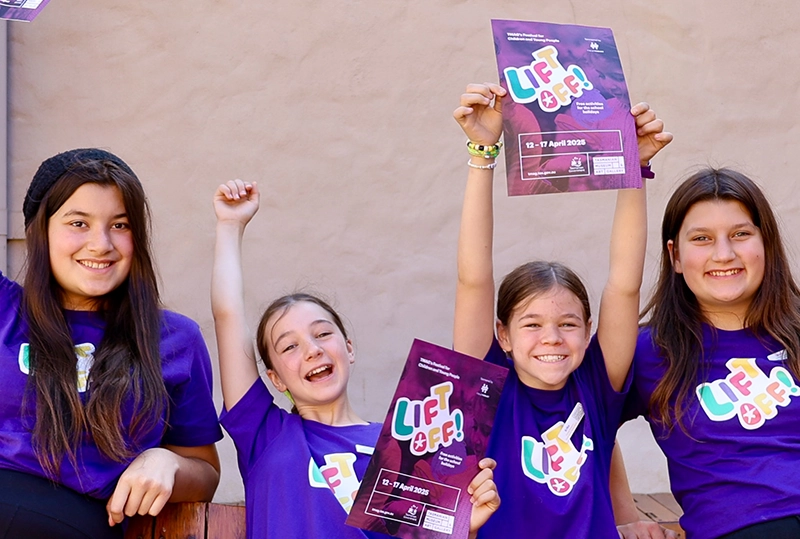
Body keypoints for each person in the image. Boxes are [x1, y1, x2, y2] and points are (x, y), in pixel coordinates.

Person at [211, 179, 501, 539]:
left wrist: (464, 529)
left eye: (322, 334)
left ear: (349, 348)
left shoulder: (404, 448)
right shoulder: (264, 434)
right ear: (275, 378)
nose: (312, 350)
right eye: (289, 347)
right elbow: (227, 316)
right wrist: (230, 226)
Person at [451, 82, 671, 537]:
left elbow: (624, 284)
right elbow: (473, 278)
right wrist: (482, 153)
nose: (551, 337)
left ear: (589, 331)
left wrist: (635, 168)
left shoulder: (597, 385)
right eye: (531, 324)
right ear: (503, 335)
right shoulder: (486, 387)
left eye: (568, 324)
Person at [0, 148, 223, 539]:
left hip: (86, 523)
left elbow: (204, 473)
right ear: (40, 231)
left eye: (120, 225)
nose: (101, 244)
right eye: (78, 223)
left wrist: (166, 462)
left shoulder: (174, 339)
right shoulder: (5, 309)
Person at [621, 168, 800, 538]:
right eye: (702, 238)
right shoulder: (650, 350)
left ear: (766, 243)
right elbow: (582, 423)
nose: (724, 254)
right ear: (675, 255)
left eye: (740, 234)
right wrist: (623, 517)